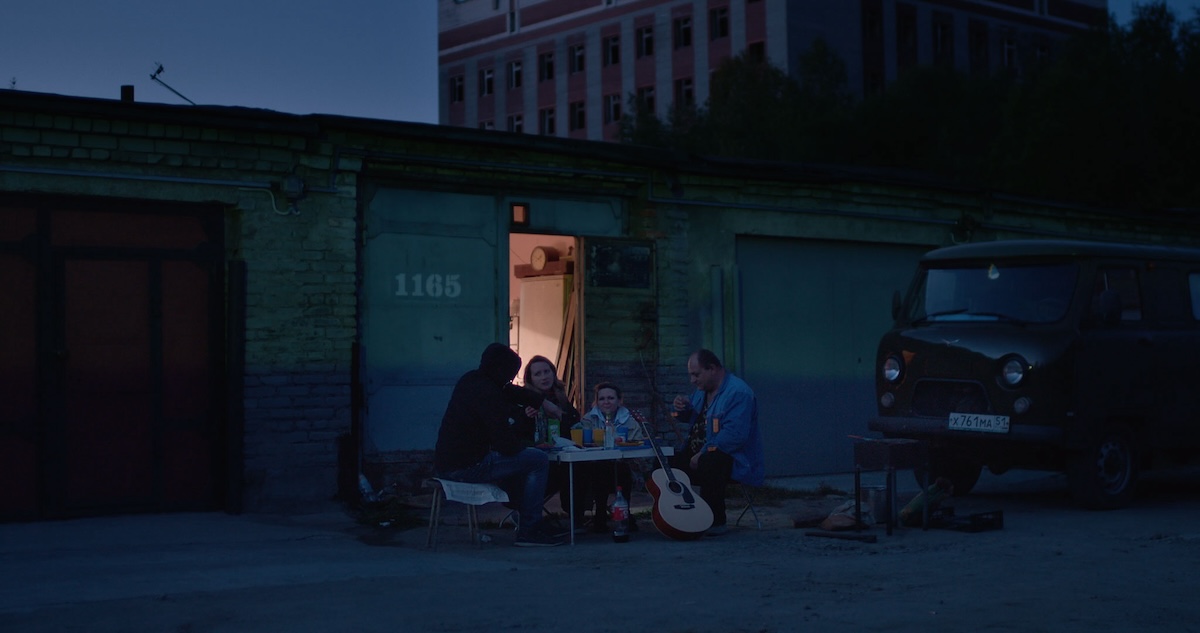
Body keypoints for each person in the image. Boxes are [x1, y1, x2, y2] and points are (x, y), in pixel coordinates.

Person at [434, 343, 564, 547]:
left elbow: (510, 391)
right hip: (468, 467)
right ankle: (530, 529)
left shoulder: (471, 379)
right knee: (537, 460)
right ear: (502, 371)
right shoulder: (488, 395)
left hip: (447, 463)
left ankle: (526, 518)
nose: (510, 381)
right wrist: (528, 448)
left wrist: (543, 402)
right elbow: (505, 444)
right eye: (510, 375)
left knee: (526, 461)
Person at [670, 349, 765, 536]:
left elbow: (734, 436)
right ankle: (675, 515)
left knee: (711, 461)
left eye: (696, 375)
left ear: (712, 369)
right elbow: (691, 418)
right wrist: (681, 408)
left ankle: (714, 521)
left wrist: (703, 452)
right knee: (664, 462)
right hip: (697, 456)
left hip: (731, 461)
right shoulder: (702, 391)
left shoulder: (738, 393)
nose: (692, 380)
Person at [520, 356, 586, 530]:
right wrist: (526, 418)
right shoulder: (523, 400)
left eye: (547, 372)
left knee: (580, 467)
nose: (544, 377)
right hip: (535, 461)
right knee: (568, 470)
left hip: (560, 458)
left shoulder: (561, 398)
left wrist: (560, 416)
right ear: (530, 379)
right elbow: (517, 433)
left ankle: (578, 516)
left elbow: (574, 424)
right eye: (538, 374)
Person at [575, 382, 645, 532]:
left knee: (621, 469)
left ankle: (623, 512)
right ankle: (600, 514)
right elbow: (582, 443)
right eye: (602, 398)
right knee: (600, 468)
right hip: (596, 466)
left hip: (625, 465)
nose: (606, 402)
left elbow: (638, 444)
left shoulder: (630, 421)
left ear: (619, 400)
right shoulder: (589, 420)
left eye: (611, 398)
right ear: (596, 401)